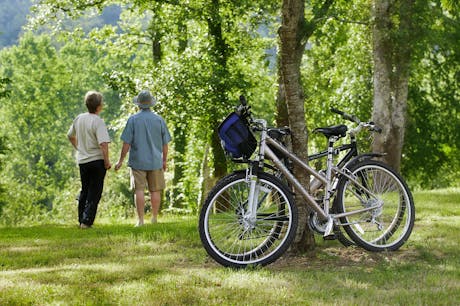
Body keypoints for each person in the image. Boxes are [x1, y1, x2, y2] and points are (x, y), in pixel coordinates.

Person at [115, 90, 171, 226]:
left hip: (138, 161)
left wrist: (120, 160)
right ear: (151, 104)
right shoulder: (159, 120)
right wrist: (164, 160)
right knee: (155, 190)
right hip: (155, 161)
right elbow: (165, 143)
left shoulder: (133, 120)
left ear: (138, 104)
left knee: (139, 190)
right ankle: (154, 218)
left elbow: (126, 143)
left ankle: (140, 221)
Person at [67, 91, 111, 229]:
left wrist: (79, 148)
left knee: (85, 190)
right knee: (95, 191)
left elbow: (70, 135)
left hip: (83, 160)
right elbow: (103, 144)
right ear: (99, 106)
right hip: (96, 160)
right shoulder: (98, 121)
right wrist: (107, 161)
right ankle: (86, 222)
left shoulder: (79, 118)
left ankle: (81, 219)